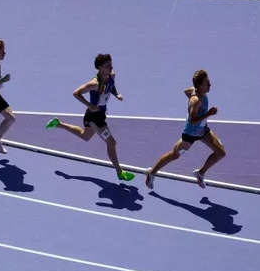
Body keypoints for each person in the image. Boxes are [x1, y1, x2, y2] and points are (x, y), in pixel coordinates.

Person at [45, 53, 134, 181]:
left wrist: (116, 94)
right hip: (93, 117)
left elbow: (111, 84)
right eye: (107, 66)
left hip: (101, 115)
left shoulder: (111, 75)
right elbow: (76, 93)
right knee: (111, 142)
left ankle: (58, 123)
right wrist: (89, 105)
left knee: (85, 136)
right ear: (99, 68)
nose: (110, 67)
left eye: (111, 64)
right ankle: (120, 172)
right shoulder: (94, 83)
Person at [145, 70, 226, 189]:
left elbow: (186, 91)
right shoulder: (195, 101)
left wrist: (195, 97)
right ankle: (151, 173)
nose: (210, 85)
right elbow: (192, 120)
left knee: (220, 153)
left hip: (203, 131)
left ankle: (200, 173)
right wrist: (208, 114)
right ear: (199, 85)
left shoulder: (198, 92)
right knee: (174, 155)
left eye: (209, 82)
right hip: (190, 134)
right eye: (207, 83)